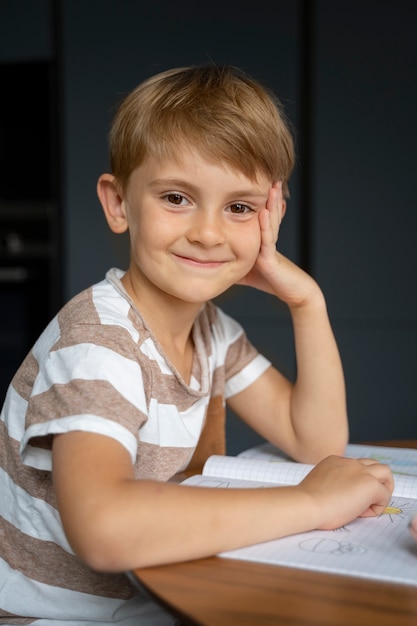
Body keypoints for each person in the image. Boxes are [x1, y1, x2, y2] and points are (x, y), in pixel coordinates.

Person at [0, 64, 394, 625]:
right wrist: (312, 503)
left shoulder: (212, 333)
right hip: (59, 615)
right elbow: (105, 530)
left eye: (239, 207)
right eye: (177, 197)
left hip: (147, 596)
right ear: (118, 204)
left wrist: (308, 302)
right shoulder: (98, 340)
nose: (208, 232)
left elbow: (317, 440)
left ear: (270, 215)